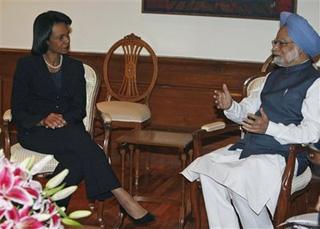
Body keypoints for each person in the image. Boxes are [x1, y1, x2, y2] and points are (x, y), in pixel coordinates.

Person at [11, 11, 155, 225]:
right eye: (61, 37)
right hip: (36, 132)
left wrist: (61, 119)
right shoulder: (26, 66)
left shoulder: (74, 68)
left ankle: (48, 213)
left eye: (67, 34)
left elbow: (79, 110)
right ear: (45, 39)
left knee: (76, 159)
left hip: (68, 129)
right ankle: (121, 195)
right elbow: (18, 110)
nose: (67, 40)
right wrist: (43, 119)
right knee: (85, 145)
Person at [182, 11, 320, 229]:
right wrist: (231, 107)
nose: (274, 48)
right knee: (206, 168)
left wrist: (269, 128)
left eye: (280, 43)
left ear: (300, 48)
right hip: (252, 148)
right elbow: (247, 112)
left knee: (238, 180)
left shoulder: (315, 83)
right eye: (274, 42)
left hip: (286, 155)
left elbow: (312, 133)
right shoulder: (271, 77)